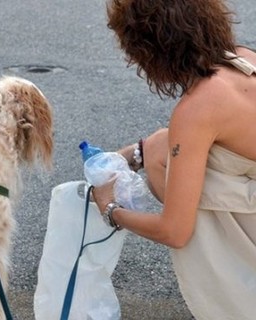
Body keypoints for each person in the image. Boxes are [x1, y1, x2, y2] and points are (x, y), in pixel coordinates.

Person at [92, 0, 256, 319]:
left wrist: (110, 209)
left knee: (166, 170)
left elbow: (174, 231)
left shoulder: (196, 108)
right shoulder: (243, 58)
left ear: (150, 50)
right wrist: (137, 152)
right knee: (156, 148)